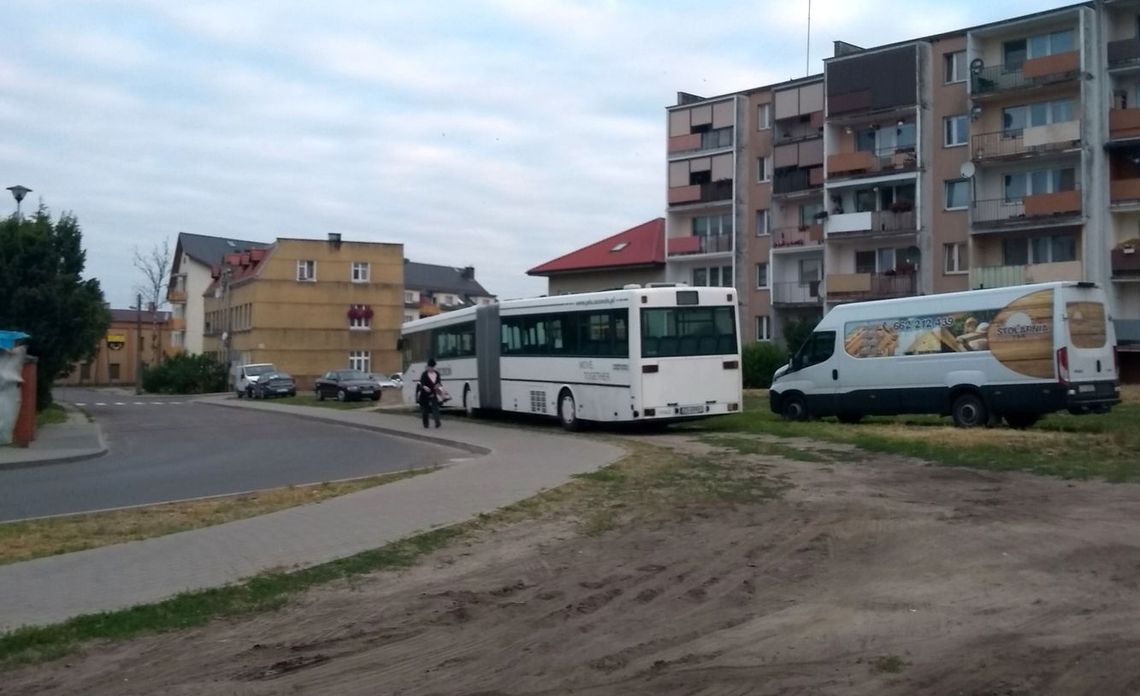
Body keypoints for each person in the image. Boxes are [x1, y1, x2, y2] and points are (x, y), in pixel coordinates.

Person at [418, 358, 444, 429]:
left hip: (433, 393)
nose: (431, 369)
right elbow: (422, 384)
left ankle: (437, 422)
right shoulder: (424, 374)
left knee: (435, 408)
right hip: (425, 395)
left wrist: (438, 386)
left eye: (432, 367)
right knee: (425, 410)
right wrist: (425, 387)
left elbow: (439, 382)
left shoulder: (437, 374)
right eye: (430, 367)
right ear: (428, 367)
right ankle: (426, 424)